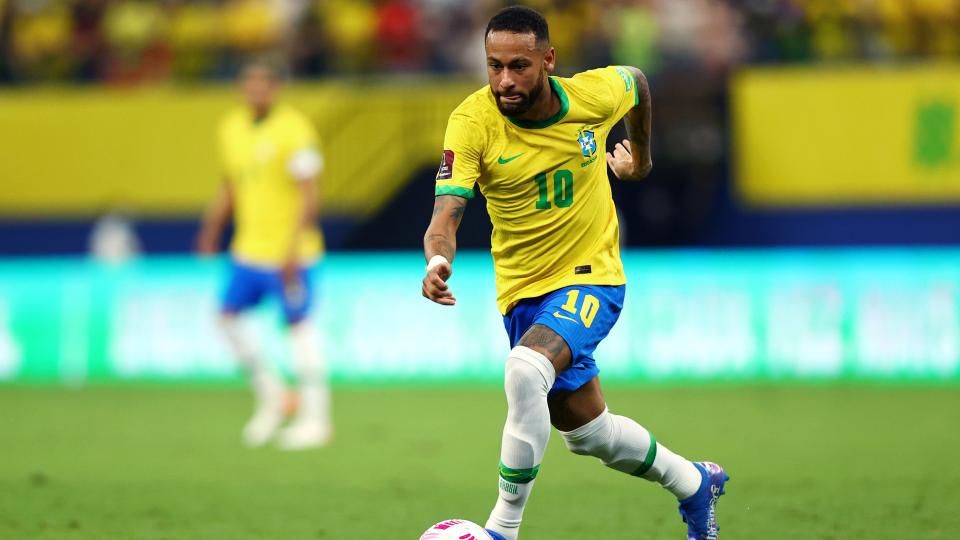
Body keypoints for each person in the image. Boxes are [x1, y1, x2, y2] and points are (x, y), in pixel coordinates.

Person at [421, 6, 727, 539]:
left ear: (548, 60)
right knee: (589, 434)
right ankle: (694, 483)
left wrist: (641, 160)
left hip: (592, 276)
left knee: (524, 370)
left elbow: (637, 83)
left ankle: (501, 530)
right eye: (494, 66)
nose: (505, 80)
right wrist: (437, 259)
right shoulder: (471, 122)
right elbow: (445, 214)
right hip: (523, 293)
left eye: (519, 66)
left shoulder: (591, 96)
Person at [196, 59, 331, 450]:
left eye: (263, 83)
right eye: (249, 82)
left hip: (291, 253)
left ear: (276, 88)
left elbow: (310, 193)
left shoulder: (295, 130)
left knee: (299, 329)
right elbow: (231, 184)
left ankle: (316, 419)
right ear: (241, 86)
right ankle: (274, 395)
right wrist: (211, 229)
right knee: (226, 320)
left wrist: (293, 248)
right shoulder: (231, 127)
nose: (256, 90)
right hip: (248, 249)